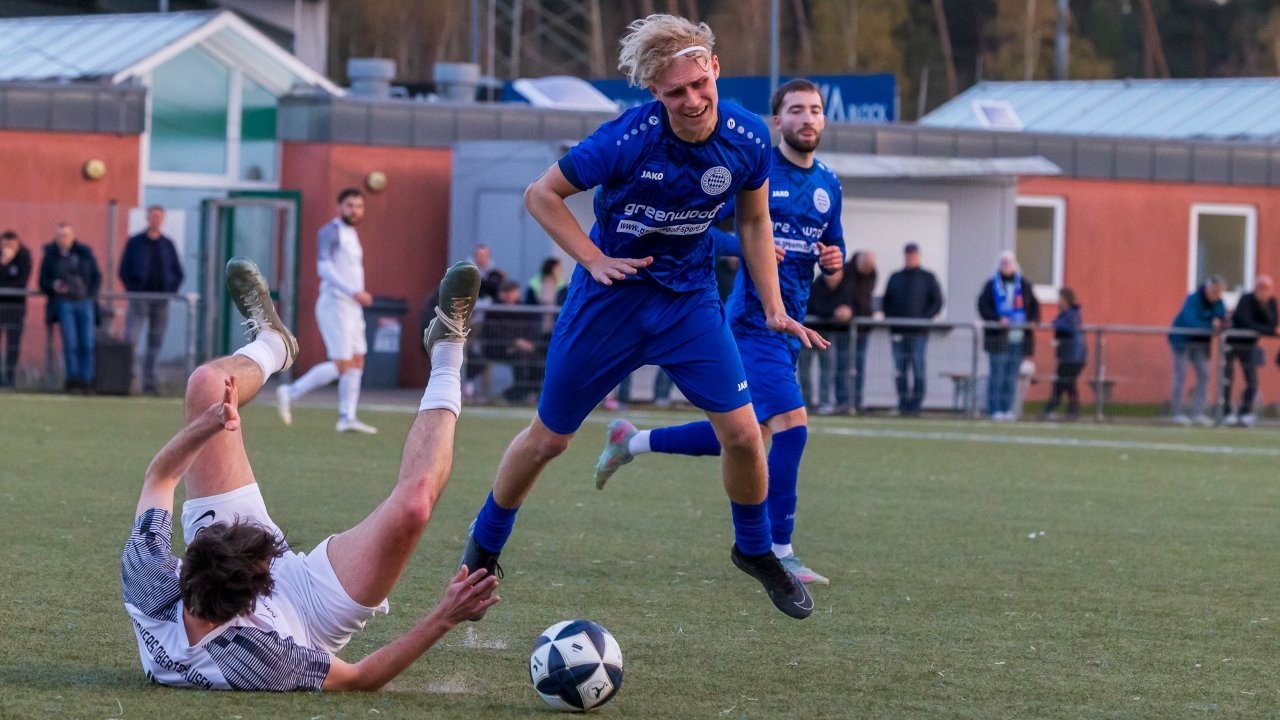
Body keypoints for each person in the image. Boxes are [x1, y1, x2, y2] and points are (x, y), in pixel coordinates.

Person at [458, 14, 826, 622]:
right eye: (675, 92)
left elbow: (755, 220)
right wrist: (593, 258)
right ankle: (484, 544)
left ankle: (755, 549)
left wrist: (774, 306)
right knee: (550, 439)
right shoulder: (625, 140)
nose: (692, 100)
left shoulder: (748, 136)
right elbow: (540, 195)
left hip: (688, 301)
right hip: (611, 301)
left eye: (699, 84)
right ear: (655, 92)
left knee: (744, 434)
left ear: (715, 68)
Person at [122, 257, 498, 691]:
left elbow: (159, 479)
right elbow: (359, 678)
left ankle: (273, 343)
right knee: (413, 507)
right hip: (311, 612)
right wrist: (444, 616)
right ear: (254, 596)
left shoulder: (151, 582)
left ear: (185, 567)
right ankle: (448, 348)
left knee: (207, 383)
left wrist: (207, 424)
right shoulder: (259, 659)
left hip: (222, 579)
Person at [592, 78, 845, 586]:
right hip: (752, 320)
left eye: (815, 110)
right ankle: (779, 550)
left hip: (789, 325)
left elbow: (833, 258)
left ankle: (632, 441)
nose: (808, 118)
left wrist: (835, 263)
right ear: (778, 121)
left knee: (746, 436)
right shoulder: (757, 168)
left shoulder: (829, 185)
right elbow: (704, 225)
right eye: (797, 110)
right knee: (793, 426)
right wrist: (747, 247)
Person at [277, 188, 378, 434]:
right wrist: (353, 291)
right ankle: (290, 392)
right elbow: (324, 268)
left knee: (357, 360)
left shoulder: (352, 234)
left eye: (359, 206)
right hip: (336, 304)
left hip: (352, 307)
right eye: (350, 205)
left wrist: (355, 296)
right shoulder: (331, 232)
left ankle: (347, 417)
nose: (355, 211)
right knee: (342, 364)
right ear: (339, 206)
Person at [119, 205, 185, 395]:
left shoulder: (167, 244)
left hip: (161, 301)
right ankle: (127, 381)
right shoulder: (135, 242)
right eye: (152, 216)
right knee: (131, 339)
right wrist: (133, 289)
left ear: (162, 219)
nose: (155, 219)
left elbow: (178, 272)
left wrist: (170, 291)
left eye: (159, 216)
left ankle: (150, 383)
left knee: (155, 342)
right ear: (147, 218)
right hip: (139, 299)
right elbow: (123, 269)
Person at [802, 250, 875, 415]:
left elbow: (853, 306)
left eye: (835, 273)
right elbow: (815, 307)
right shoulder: (816, 285)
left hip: (827, 336)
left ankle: (825, 402)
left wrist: (848, 312)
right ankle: (806, 402)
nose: (832, 277)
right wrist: (834, 312)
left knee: (827, 370)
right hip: (808, 334)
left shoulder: (847, 287)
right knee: (805, 370)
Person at [881, 243, 943, 416]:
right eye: (908, 255)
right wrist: (893, 320)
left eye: (913, 255)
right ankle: (903, 403)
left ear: (919, 256)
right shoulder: (895, 277)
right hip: (898, 333)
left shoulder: (928, 277)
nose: (910, 258)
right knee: (900, 370)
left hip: (919, 334)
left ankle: (916, 404)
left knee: (918, 369)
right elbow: (886, 302)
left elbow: (937, 302)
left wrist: (924, 320)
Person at [977, 251, 1041, 421]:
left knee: (1011, 377)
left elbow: (1034, 306)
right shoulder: (991, 285)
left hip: (1018, 338)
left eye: (1009, 263)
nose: (1006, 266)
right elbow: (983, 307)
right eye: (1003, 263)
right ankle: (994, 409)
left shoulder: (1024, 285)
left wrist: (1033, 320)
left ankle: (1007, 408)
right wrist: (997, 319)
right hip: (998, 338)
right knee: (997, 375)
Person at [39, 222, 101, 393]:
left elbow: (96, 276)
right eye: (60, 235)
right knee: (70, 343)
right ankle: (72, 380)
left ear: (73, 236)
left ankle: (87, 380)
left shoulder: (85, 253)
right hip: (64, 303)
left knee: (87, 343)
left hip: (85, 302)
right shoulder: (50, 256)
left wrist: (90, 294)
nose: (63, 239)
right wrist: (53, 286)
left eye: (66, 235)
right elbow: (42, 281)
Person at [1168, 275, 1227, 426]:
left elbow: (1223, 319)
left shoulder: (1219, 302)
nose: (1216, 295)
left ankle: (1198, 413)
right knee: (1180, 376)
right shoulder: (1193, 299)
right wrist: (1211, 326)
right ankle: (1177, 413)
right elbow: (1191, 322)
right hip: (1182, 341)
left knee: (1204, 375)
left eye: (1219, 292)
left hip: (1201, 343)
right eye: (1214, 291)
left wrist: (1222, 324)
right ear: (1208, 288)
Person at [1222, 274, 1277, 427]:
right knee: (1227, 379)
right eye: (1260, 287)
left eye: (1266, 288)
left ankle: (1245, 412)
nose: (1263, 290)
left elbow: (1273, 323)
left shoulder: (1271, 303)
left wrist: (1264, 307)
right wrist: (1268, 329)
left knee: (1252, 381)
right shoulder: (1246, 299)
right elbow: (1246, 322)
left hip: (1250, 345)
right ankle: (1226, 412)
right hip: (1233, 343)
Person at [482, 280, 548, 403]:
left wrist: (528, 343)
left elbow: (532, 330)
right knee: (520, 360)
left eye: (512, 292)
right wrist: (513, 342)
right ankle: (512, 396)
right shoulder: (493, 310)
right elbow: (493, 332)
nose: (510, 295)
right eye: (506, 292)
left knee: (538, 361)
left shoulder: (523, 309)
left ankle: (530, 393)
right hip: (498, 349)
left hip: (521, 349)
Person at [1042, 288, 1086, 421]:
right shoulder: (1068, 314)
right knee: (1066, 383)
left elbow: (1065, 327)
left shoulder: (1071, 314)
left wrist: (1056, 323)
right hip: (1069, 355)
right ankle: (1069, 409)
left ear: (1066, 300)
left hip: (1073, 355)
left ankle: (1053, 408)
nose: (1058, 301)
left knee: (1064, 382)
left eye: (1060, 299)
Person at [0, 230, 32, 388]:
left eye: (11, 245)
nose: (8, 248)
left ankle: (10, 377)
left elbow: (21, 283)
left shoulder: (24, 256)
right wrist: (4, 264)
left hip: (16, 307)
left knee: (13, 343)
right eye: (5, 245)